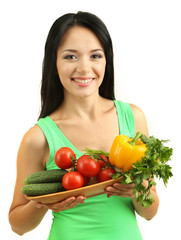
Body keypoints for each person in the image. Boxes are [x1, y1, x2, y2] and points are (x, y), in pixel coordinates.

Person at [9, 11, 159, 240]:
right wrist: (45, 203)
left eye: (95, 56)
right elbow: (18, 226)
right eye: (70, 57)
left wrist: (138, 190)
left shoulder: (133, 117)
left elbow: (150, 212)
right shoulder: (38, 137)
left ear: (107, 60)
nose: (84, 68)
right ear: (54, 62)